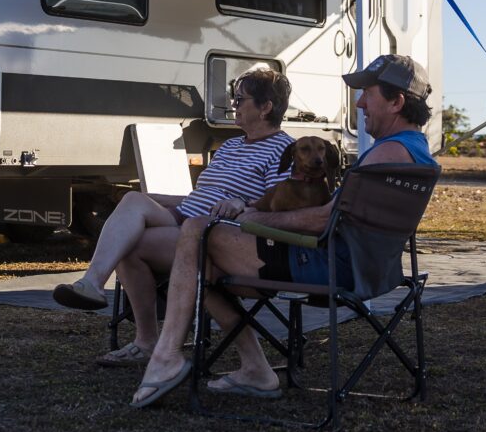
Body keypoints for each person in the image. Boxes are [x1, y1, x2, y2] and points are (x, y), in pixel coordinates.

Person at [131, 54, 437, 407]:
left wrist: (250, 220)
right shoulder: (417, 153)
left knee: (198, 231)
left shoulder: (387, 155)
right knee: (204, 265)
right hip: (369, 267)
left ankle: (168, 356)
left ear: (397, 102)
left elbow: (324, 219)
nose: (360, 103)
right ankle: (255, 369)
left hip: (324, 264)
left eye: (368, 95)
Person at [52, 68, 294, 369]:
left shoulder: (285, 150)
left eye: (240, 99)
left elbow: (280, 204)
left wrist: (242, 203)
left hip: (220, 237)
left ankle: (142, 337)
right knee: (133, 199)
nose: (233, 104)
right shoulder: (231, 146)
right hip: (184, 217)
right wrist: (159, 198)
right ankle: (96, 288)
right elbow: (203, 196)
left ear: (266, 107)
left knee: (131, 247)